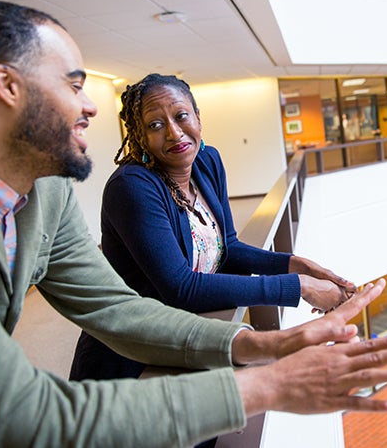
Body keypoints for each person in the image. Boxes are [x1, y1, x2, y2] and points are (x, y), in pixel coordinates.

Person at [0, 0, 387, 448]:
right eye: (73, 84)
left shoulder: (46, 186)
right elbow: (24, 417)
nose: (89, 106)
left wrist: (268, 343)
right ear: (7, 86)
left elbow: (114, 306)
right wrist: (274, 384)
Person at [70, 74, 355, 381]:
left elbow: (228, 246)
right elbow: (181, 288)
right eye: (155, 125)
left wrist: (295, 264)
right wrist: (298, 287)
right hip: (130, 364)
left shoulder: (207, 160)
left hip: (184, 341)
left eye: (181, 116)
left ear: (198, 118)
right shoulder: (132, 187)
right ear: (139, 136)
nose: (174, 133)